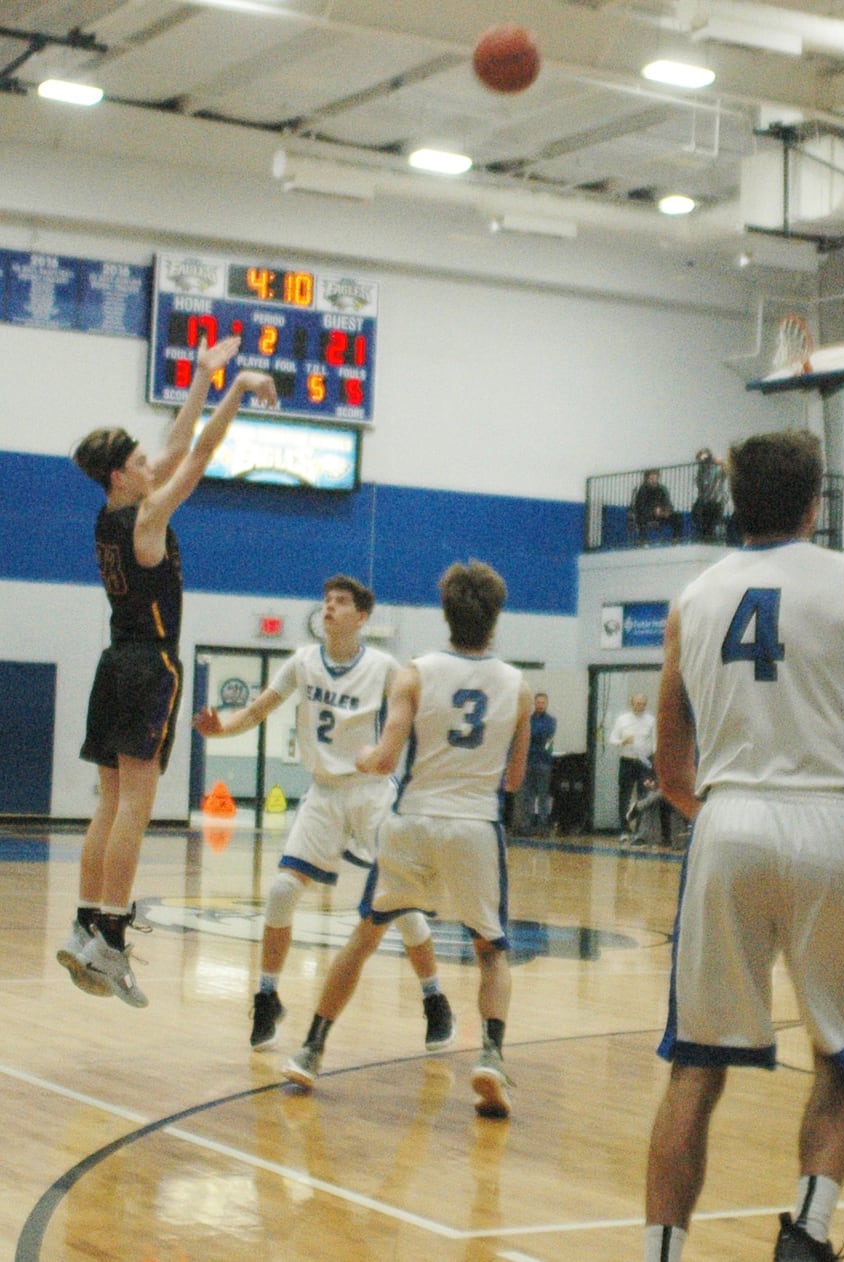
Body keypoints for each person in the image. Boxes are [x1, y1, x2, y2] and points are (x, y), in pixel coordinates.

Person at [642, 429, 844, 1262]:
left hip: (726, 818)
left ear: (735, 501)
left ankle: (660, 1254)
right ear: (818, 503)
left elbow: (670, 768)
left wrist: (730, 819)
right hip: (830, 823)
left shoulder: (690, 599)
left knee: (695, 1068)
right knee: (838, 1056)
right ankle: (805, 1235)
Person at [57, 336, 277, 1008]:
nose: (151, 462)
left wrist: (204, 377)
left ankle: (88, 920)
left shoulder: (110, 515)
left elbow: (177, 444)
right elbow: (200, 455)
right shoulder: (148, 517)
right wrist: (237, 392)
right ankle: (114, 940)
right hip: (150, 664)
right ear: (122, 475)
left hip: (112, 662)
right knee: (137, 806)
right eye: (139, 460)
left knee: (109, 802)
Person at [280, 561, 534, 1122]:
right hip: (474, 826)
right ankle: (490, 1054)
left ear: (446, 614)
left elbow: (385, 755)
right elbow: (513, 780)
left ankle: (311, 1049)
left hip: (412, 820)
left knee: (365, 937)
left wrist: (364, 759)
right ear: (495, 619)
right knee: (491, 953)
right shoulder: (518, 687)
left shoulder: (414, 673)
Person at [192, 575, 450, 1052]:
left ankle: (435, 999)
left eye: (341, 602)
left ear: (363, 617)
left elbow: (418, 719)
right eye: (327, 601)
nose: (330, 607)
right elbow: (257, 711)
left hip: (374, 793)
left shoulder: (385, 666)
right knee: (282, 891)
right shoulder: (303, 661)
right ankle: (267, 996)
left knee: (401, 906)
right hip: (324, 793)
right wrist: (219, 730)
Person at [609, 693, 657, 842]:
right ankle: (624, 829)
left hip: (644, 762)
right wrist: (621, 741)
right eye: (637, 703)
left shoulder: (651, 720)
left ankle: (640, 832)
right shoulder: (622, 720)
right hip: (627, 761)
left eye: (642, 704)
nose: (640, 706)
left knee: (644, 796)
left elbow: (656, 741)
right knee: (624, 796)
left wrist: (653, 759)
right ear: (632, 703)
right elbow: (612, 739)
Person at [523, 692, 558, 833]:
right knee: (528, 795)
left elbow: (546, 735)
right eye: (538, 702)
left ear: (546, 704)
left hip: (544, 762)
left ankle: (542, 826)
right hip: (528, 761)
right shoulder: (527, 720)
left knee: (543, 795)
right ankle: (527, 826)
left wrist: (533, 736)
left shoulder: (551, 720)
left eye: (543, 703)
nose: (540, 705)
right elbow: (527, 736)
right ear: (534, 704)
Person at [632, 468, 681, 542]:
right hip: (647, 516)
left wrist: (666, 511)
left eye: (656, 478)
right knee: (639, 518)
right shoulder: (642, 490)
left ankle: (675, 539)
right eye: (651, 478)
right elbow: (640, 507)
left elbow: (668, 503)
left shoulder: (662, 489)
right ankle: (643, 540)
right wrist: (653, 511)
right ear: (647, 479)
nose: (654, 480)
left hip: (660, 516)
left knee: (677, 516)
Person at [690, 448, 726, 541]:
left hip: (716, 500)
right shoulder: (701, 470)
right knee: (699, 516)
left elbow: (726, 470)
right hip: (704, 500)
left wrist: (721, 462)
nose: (704, 461)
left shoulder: (716, 468)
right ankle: (703, 537)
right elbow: (700, 484)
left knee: (712, 522)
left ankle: (711, 538)